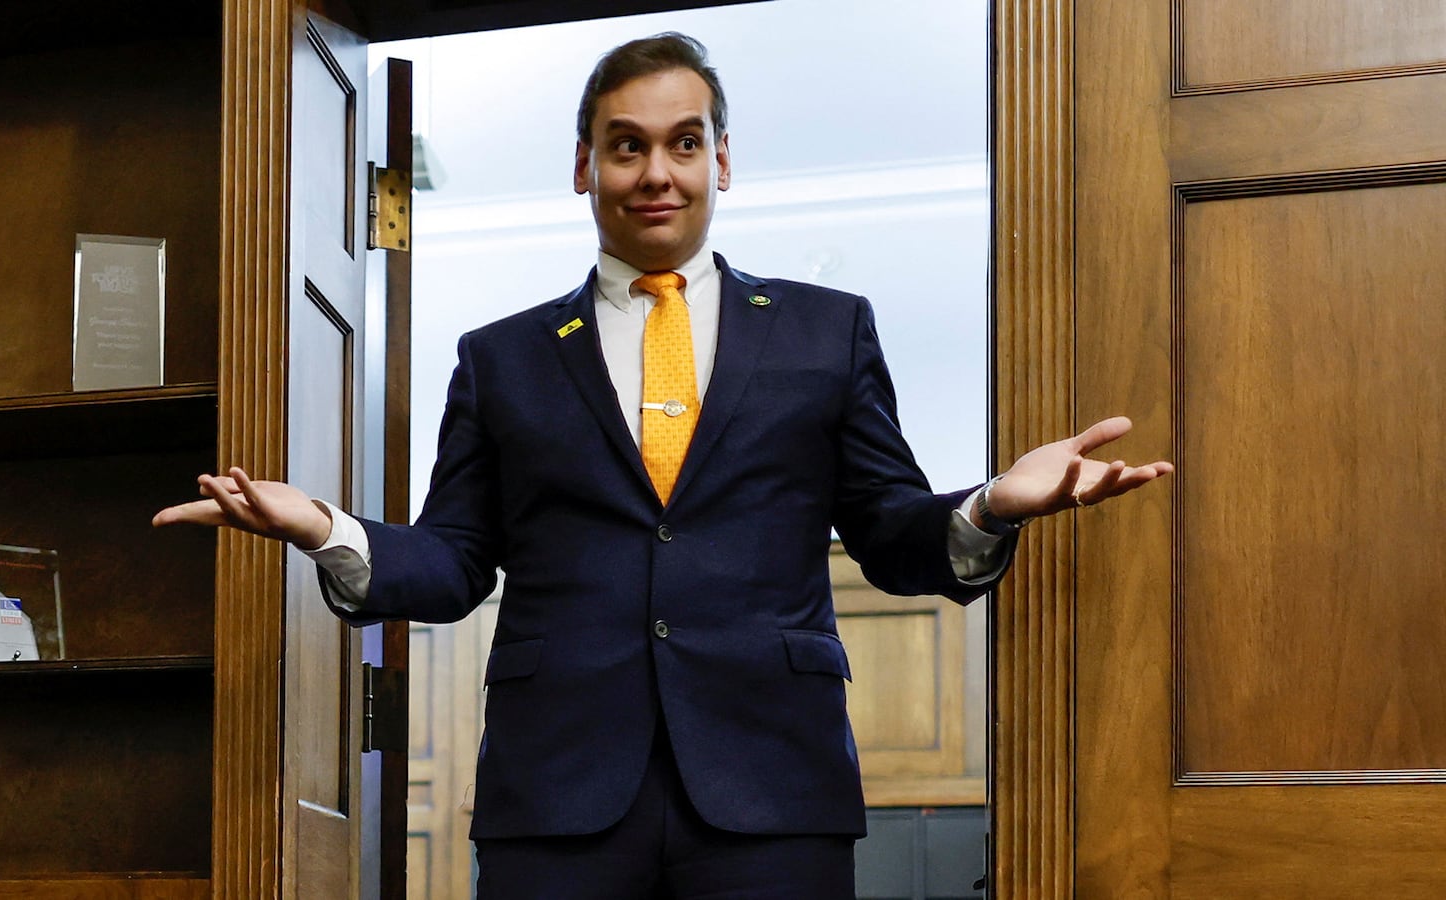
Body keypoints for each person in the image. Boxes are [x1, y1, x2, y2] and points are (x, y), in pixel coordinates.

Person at [155, 32, 1171, 899]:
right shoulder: (498, 358)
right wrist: (326, 530)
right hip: (556, 799)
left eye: (683, 144)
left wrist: (991, 505)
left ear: (721, 160)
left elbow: (891, 536)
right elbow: (456, 562)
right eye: (626, 146)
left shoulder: (828, 334)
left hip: (775, 790)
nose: (656, 172)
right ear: (583, 166)